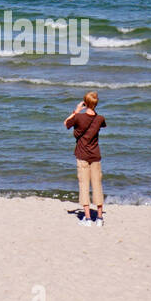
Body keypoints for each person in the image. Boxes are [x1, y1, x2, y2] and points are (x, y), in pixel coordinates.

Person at [64, 92, 106, 226]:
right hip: (95, 155)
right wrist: (92, 109)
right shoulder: (100, 119)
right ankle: (99, 218)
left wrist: (76, 111)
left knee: (84, 186)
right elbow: (101, 125)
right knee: (97, 185)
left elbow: (66, 123)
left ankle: (88, 219)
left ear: (85, 103)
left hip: (82, 155)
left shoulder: (79, 117)